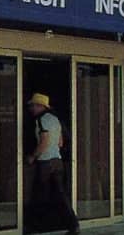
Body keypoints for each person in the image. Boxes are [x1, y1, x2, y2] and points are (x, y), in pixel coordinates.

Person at [26, 93, 80, 235]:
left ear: (40, 106)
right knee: (61, 195)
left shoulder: (41, 120)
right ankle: (73, 225)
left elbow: (44, 141)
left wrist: (33, 156)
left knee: (38, 195)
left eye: (33, 105)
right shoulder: (55, 120)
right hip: (57, 161)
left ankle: (33, 227)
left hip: (45, 163)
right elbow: (60, 142)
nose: (31, 108)